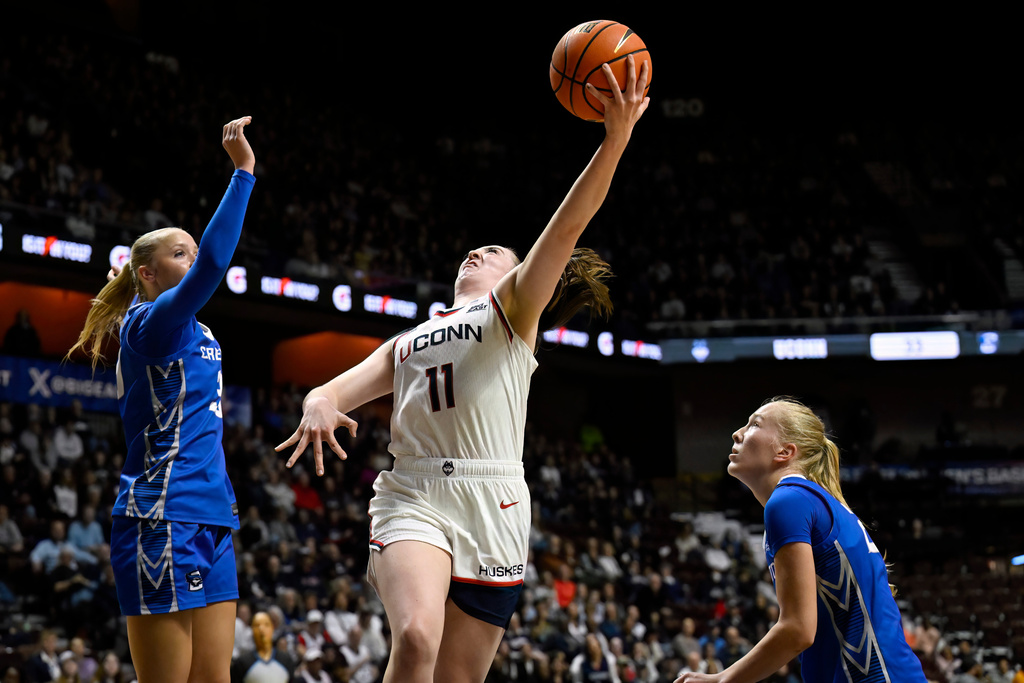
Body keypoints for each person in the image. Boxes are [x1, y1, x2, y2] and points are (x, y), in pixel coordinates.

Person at [278, 56, 649, 683]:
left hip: (495, 499)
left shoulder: (513, 312)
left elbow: (568, 225)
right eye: (473, 249)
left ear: (516, 272)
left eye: (495, 251)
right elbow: (335, 387)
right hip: (414, 492)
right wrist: (318, 401)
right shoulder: (410, 339)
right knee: (417, 638)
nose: (476, 251)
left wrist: (614, 142)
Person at [67, 117, 256, 683]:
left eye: (191, 250)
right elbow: (215, 265)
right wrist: (243, 173)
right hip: (161, 515)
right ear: (147, 275)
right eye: (181, 254)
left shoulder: (199, 332)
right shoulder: (149, 325)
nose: (193, 258)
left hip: (212, 517)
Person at [676, 398, 927, 682]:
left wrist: (723, 680)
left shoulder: (789, 501)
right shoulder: (814, 501)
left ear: (785, 451)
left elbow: (798, 630)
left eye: (755, 424)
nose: (738, 433)